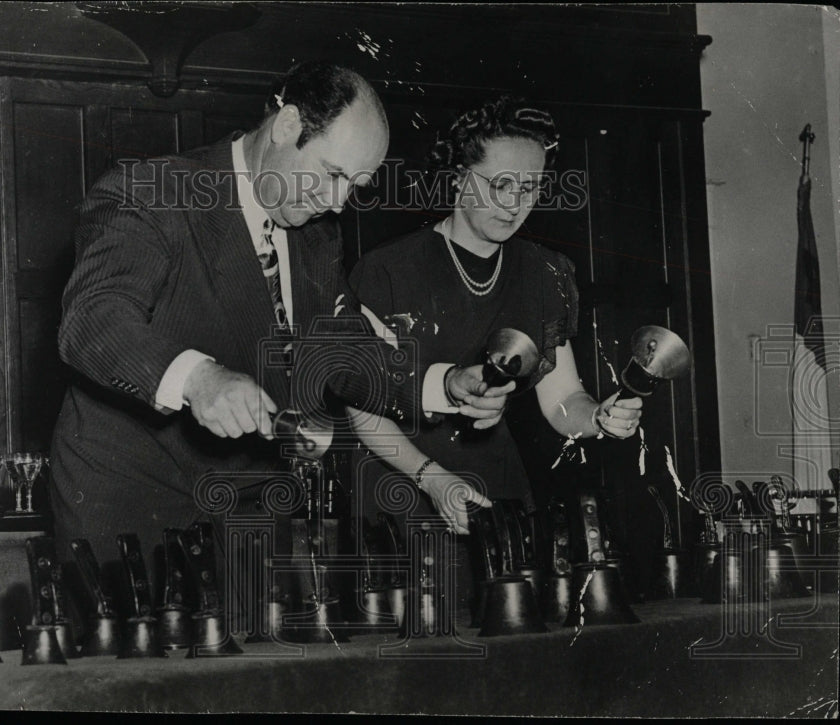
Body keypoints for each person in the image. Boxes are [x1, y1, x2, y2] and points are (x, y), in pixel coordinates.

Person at [47, 62, 510, 606]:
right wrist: (197, 378)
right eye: (334, 174)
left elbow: (345, 349)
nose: (338, 203)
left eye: (355, 187)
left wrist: (446, 384)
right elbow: (93, 317)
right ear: (287, 125)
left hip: (249, 494)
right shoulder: (154, 193)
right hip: (125, 487)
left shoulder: (316, 235)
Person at [347, 96, 642, 591]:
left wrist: (597, 418)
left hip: (497, 495)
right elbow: (363, 407)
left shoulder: (545, 274)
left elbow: (562, 401)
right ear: (461, 177)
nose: (515, 203)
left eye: (531, 188)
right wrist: (433, 478)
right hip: (400, 487)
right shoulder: (387, 271)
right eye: (501, 184)